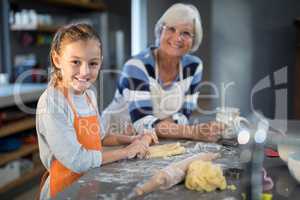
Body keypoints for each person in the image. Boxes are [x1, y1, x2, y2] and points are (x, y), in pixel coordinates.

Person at [36, 23, 157, 199]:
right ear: (57, 59)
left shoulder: (89, 95)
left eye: (93, 63)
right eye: (75, 62)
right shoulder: (53, 103)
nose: (84, 72)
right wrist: (126, 151)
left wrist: (132, 139)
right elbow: (77, 160)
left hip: (91, 182)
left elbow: (100, 137)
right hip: (63, 190)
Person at [102, 3, 224, 143]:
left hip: (156, 139)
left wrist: (158, 126)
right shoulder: (136, 66)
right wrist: (193, 131)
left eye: (185, 33)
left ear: (193, 40)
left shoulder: (194, 66)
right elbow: (142, 122)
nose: (178, 38)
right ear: (160, 31)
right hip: (115, 139)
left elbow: (184, 115)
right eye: (171, 29)